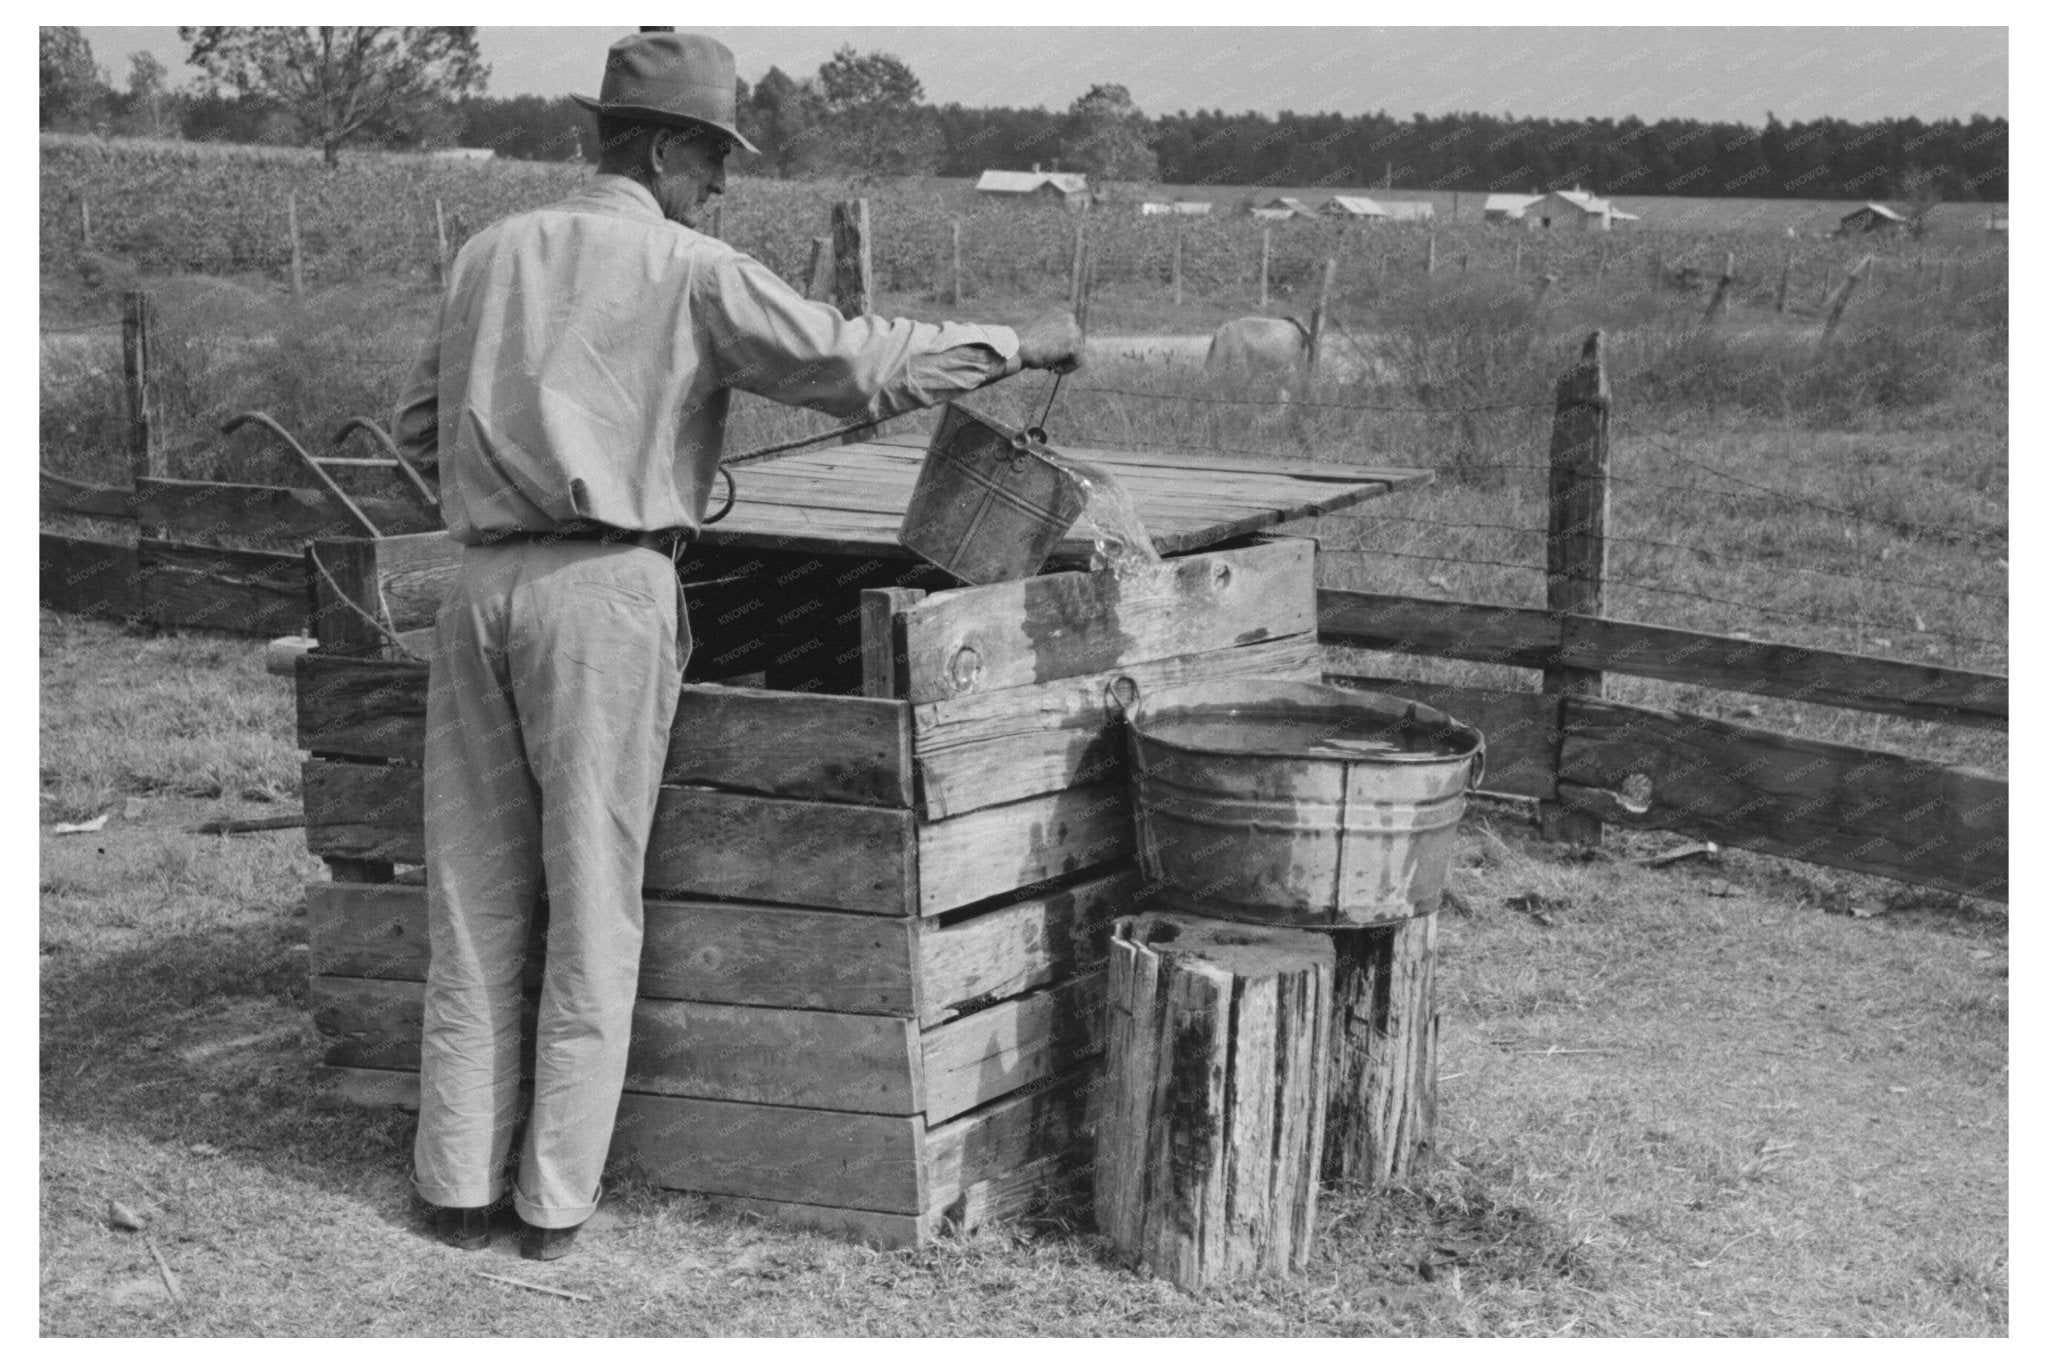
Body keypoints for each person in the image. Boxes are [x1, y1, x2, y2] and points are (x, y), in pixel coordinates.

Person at [390, 30, 1083, 1262]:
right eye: (711, 158)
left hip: (477, 586)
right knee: (594, 899)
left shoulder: (486, 255)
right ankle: (550, 1203)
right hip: (606, 594)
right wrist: (1013, 343)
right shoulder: (692, 266)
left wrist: (520, 467)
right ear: (662, 148)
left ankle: (452, 1182)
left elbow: (411, 428)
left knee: (474, 891)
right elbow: (847, 360)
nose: (719, 185)